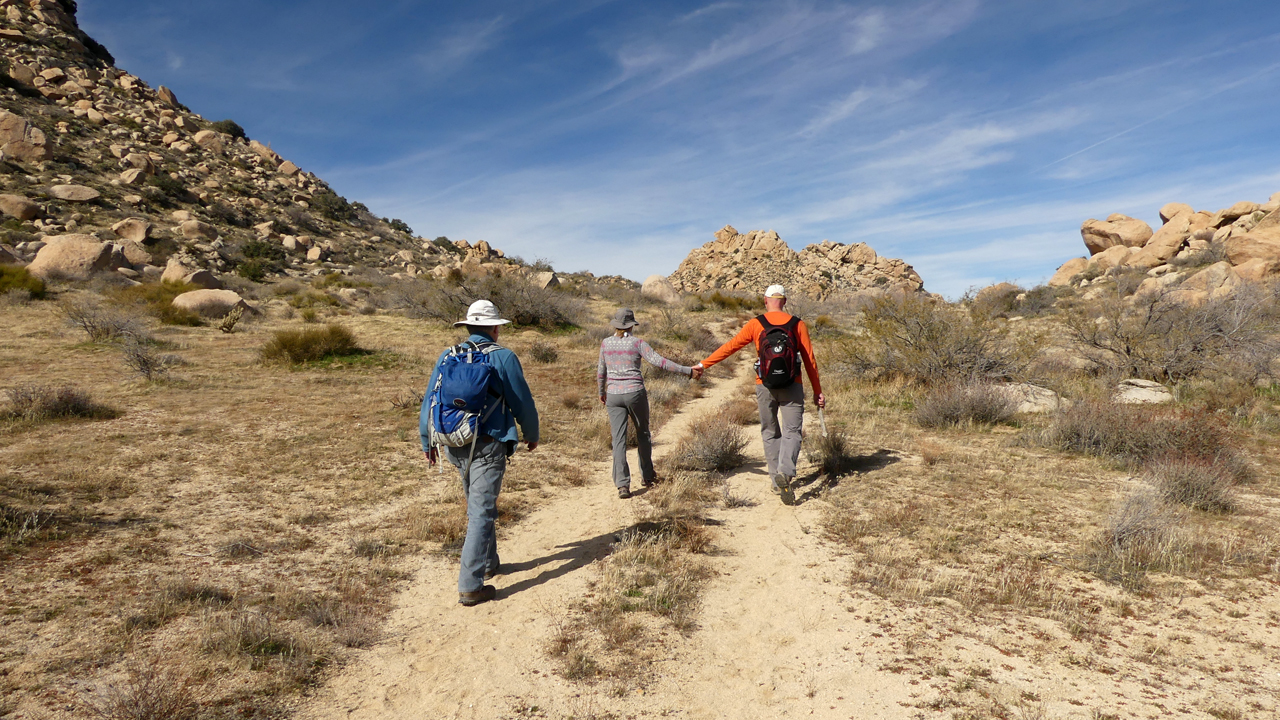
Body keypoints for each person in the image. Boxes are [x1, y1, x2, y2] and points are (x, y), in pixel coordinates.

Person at [421, 299, 539, 607]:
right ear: (495, 328)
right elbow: (521, 401)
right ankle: (470, 585)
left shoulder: (448, 355)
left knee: (478, 505)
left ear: (468, 327)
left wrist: (427, 441)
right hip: (489, 442)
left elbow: (430, 400)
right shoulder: (504, 357)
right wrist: (532, 434)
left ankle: (489, 563)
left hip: (454, 443)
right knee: (480, 511)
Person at [695, 285, 824, 503]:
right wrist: (817, 392)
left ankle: (776, 481)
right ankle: (786, 472)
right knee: (792, 432)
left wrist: (703, 364)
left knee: (770, 432)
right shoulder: (797, 324)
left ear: (766, 300)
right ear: (784, 301)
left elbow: (731, 346)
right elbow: (810, 360)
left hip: (764, 385)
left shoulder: (757, 324)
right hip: (793, 384)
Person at [598, 307, 703, 499]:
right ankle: (647, 476)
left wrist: (601, 392)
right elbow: (659, 362)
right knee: (643, 433)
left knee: (618, 440)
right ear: (632, 325)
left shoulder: (605, 343)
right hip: (635, 393)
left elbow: (601, 371)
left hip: (613, 394)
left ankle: (622, 485)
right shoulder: (637, 343)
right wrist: (687, 370)